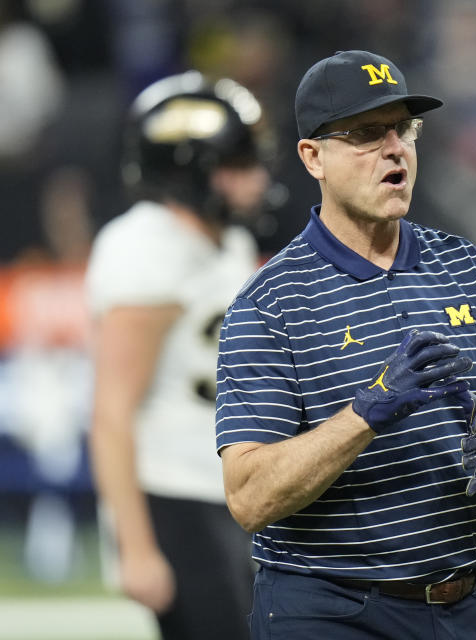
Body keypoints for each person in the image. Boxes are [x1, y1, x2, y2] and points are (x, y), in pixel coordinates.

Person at [215, 50, 476, 640]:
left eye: (403, 128)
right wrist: (367, 412)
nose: (394, 148)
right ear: (312, 157)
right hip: (332, 610)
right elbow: (249, 497)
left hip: (473, 603)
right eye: (364, 133)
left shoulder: (474, 273)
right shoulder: (270, 303)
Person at [86, 72, 271, 639]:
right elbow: (112, 414)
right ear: (192, 170)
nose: (259, 178)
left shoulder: (230, 242)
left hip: (229, 489)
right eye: (239, 165)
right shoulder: (144, 247)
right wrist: (135, 547)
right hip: (172, 492)